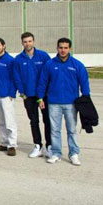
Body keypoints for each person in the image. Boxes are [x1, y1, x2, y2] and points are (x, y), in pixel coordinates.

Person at [38, 38, 90, 166]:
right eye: (60, 47)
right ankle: (56, 153)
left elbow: (84, 83)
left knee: (71, 129)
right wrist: (40, 98)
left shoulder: (77, 65)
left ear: (70, 49)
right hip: (53, 103)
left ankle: (73, 153)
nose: (63, 50)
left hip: (71, 103)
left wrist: (86, 99)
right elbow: (42, 82)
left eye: (65, 48)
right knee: (54, 130)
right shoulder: (50, 64)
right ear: (57, 48)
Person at [13, 32, 52, 158]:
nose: (27, 44)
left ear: (33, 42)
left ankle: (49, 146)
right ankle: (37, 145)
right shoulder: (19, 59)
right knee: (33, 121)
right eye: (25, 41)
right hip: (28, 96)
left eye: (29, 41)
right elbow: (17, 77)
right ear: (22, 43)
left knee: (47, 120)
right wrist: (22, 92)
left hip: (44, 95)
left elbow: (49, 74)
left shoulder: (43, 56)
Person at [0, 38, 18, 156]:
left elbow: (14, 77)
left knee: (9, 121)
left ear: (4, 46)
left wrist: (12, 93)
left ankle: (12, 145)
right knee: (0, 121)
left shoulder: (10, 60)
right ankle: (5, 142)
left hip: (6, 96)